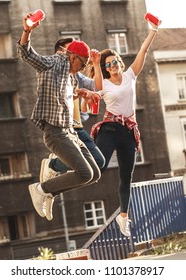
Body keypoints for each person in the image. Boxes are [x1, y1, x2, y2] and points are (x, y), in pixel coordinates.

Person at [17, 13, 101, 222]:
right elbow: (27, 55)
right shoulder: (54, 63)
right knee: (84, 173)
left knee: (95, 174)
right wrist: (27, 31)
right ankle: (41, 188)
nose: (82, 69)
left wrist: (81, 94)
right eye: (82, 64)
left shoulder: (71, 77)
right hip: (55, 132)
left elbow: (66, 94)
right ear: (73, 57)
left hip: (70, 131)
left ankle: (49, 192)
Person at [88, 18, 160, 236]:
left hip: (129, 132)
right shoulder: (105, 83)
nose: (112, 67)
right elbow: (97, 81)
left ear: (120, 62)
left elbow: (143, 51)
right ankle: (58, 166)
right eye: (108, 65)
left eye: (115, 62)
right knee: (97, 167)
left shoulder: (130, 75)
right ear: (106, 70)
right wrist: (95, 62)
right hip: (110, 129)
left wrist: (153, 31)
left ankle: (123, 217)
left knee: (126, 175)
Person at [40, 37, 105, 183]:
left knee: (99, 162)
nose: (73, 53)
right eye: (71, 50)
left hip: (77, 126)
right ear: (60, 52)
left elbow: (98, 86)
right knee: (85, 172)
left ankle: (54, 165)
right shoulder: (52, 71)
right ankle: (53, 166)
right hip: (61, 127)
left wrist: (95, 64)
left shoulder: (77, 74)